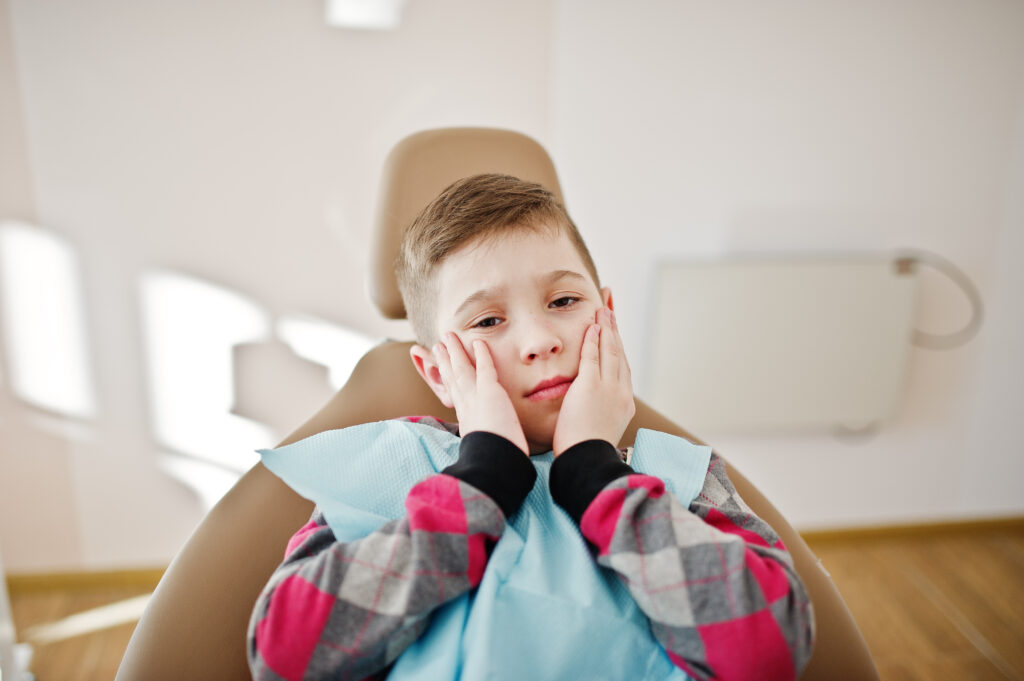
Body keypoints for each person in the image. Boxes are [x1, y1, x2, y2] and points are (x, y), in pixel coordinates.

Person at [247, 174, 815, 681]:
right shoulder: (391, 467)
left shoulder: (680, 477)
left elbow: (767, 651)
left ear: (608, 316)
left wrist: (596, 476)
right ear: (438, 373)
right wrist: (482, 479)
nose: (541, 340)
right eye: (489, 320)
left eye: (564, 300)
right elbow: (286, 657)